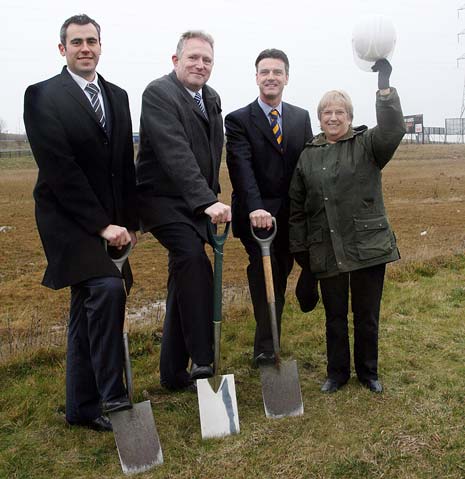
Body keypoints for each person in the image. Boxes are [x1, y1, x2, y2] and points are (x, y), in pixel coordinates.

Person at [23, 14, 138, 431]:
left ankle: (80, 407)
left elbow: (124, 164)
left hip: (110, 221)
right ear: (62, 49)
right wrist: (101, 226)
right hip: (67, 220)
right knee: (107, 289)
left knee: (86, 305)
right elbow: (60, 169)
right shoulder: (41, 96)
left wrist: (129, 222)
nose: (85, 48)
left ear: (100, 46)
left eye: (91, 40)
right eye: (76, 42)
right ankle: (114, 397)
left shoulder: (119, 96)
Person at [289, 59, 405, 393]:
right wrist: (302, 255)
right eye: (327, 112)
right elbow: (297, 208)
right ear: (320, 117)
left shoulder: (368, 145)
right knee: (335, 316)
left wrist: (384, 90)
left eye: (340, 112)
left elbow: (394, 130)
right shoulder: (308, 155)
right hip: (326, 247)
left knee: (367, 314)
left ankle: (368, 372)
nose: (334, 117)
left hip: (367, 245)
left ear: (350, 118)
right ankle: (337, 373)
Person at [135, 31, 230, 391]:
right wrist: (206, 201)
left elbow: (211, 151)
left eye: (206, 60)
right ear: (176, 61)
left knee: (183, 277)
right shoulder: (159, 94)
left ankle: (173, 374)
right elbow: (175, 153)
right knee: (192, 259)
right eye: (193, 58)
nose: (200, 65)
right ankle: (203, 359)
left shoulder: (212, 97)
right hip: (161, 199)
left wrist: (210, 195)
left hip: (196, 201)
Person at [225, 49, 316, 366]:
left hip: (292, 216)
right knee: (266, 275)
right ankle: (266, 347)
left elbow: (307, 166)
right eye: (265, 72)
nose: (271, 77)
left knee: (289, 269)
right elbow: (241, 168)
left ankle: (307, 284)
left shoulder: (301, 117)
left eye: (277, 72)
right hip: (258, 217)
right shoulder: (238, 120)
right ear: (256, 77)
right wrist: (255, 208)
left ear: (286, 78)